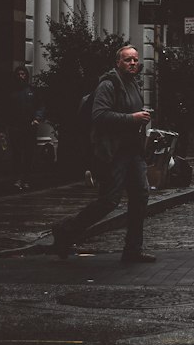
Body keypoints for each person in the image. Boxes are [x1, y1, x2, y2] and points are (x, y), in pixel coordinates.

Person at [51, 46, 154, 264]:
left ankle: (133, 249)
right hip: (114, 152)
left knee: (141, 196)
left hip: (133, 151)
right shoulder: (108, 85)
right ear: (118, 62)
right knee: (109, 200)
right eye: (128, 60)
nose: (133, 63)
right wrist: (133, 118)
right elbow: (100, 115)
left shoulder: (133, 83)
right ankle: (65, 230)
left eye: (135, 60)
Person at [4, 66, 43, 190]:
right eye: (19, 74)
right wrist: (2, 128)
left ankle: (26, 178)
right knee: (16, 153)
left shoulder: (32, 90)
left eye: (23, 74)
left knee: (28, 154)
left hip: (29, 127)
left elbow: (40, 106)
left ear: (26, 76)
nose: (21, 76)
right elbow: (5, 110)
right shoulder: (10, 92)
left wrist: (37, 118)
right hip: (15, 127)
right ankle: (17, 178)